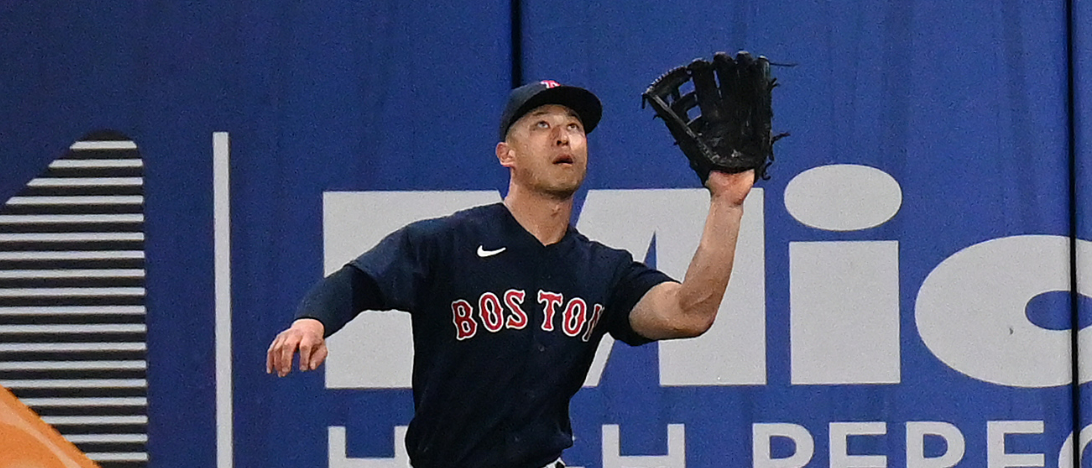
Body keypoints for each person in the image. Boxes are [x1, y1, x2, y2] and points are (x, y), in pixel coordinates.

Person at [267, 80, 755, 468]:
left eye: (574, 127)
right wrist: (312, 321)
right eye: (541, 125)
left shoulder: (603, 270)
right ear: (507, 155)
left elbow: (690, 313)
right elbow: (358, 281)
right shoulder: (449, 242)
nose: (563, 136)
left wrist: (727, 202)